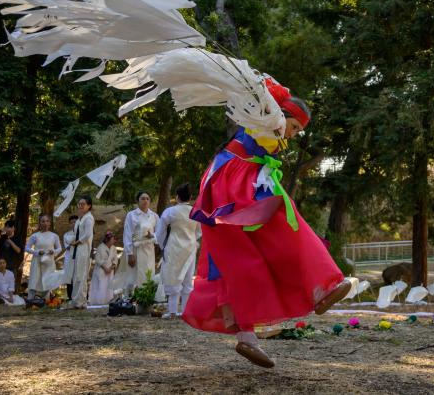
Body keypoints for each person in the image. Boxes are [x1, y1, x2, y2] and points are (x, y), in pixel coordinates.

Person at [183, 82, 351, 368]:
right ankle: (321, 286)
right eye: (294, 126)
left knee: (239, 261)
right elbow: (264, 115)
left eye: (298, 130)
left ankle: (247, 337)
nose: (294, 134)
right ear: (281, 115)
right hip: (234, 180)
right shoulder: (264, 121)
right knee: (286, 229)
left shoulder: (265, 128)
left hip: (237, 179)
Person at [155, 183, 202, 319]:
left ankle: (172, 311)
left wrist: (163, 244)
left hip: (174, 247)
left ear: (176, 197)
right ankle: (185, 311)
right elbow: (199, 232)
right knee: (187, 279)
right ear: (190, 197)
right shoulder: (195, 212)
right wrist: (191, 239)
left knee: (173, 277)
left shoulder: (170, 212)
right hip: (190, 248)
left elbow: (160, 231)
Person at [114, 191, 159, 296]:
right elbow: (127, 234)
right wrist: (130, 254)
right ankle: (131, 299)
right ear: (138, 201)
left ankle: (147, 297)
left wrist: (152, 236)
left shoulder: (154, 216)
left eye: (147, 199)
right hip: (135, 250)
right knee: (133, 275)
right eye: (143, 198)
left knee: (148, 273)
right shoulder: (131, 215)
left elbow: (160, 233)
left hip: (149, 249)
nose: (145, 201)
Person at [63, 196, 95, 309]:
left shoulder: (89, 218)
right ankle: (75, 300)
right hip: (76, 249)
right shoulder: (80, 219)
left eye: (83, 204)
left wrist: (77, 242)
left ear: (89, 206)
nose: (80, 206)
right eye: (79, 204)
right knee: (76, 275)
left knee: (81, 275)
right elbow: (76, 232)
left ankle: (81, 301)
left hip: (83, 249)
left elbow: (87, 235)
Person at [24, 214, 62, 300]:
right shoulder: (35, 236)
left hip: (49, 261)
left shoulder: (54, 236)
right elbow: (27, 248)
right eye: (43, 221)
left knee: (47, 280)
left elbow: (59, 248)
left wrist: (54, 251)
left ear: (50, 223)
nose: (45, 223)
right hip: (37, 261)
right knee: (34, 279)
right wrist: (37, 252)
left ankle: (46, 300)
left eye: (47, 221)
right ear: (40, 223)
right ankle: (30, 300)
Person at [88, 231, 118, 305]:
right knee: (101, 285)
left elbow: (115, 259)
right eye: (113, 239)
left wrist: (111, 268)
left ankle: (108, 300)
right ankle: (99, 301)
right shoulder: (100, 247)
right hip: (101, 270)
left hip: (110, 270)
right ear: (108, 239)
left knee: (109, 286)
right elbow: (97, 259)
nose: (114, 240)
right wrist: (105, 268)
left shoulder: (113, 248)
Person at [0, 220, 25, 290]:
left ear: (13, 228)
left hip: (11, 266)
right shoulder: (1, 237)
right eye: (6, 227)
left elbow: (18, 250)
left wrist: (9, 240)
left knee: (10, 288)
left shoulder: (17, 238)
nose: (7, 229)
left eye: (9, 227)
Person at [61, 215, 78, 300]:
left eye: (75, 222)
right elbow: (67, 247)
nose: (73, 224)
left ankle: (78, 295)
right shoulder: (66, 235)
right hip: (69, 257)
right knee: (69, 275)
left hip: (78, 256)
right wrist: (72, 243)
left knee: (77, 275)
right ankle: (70, 296)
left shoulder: (81, 233)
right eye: (71, 222)